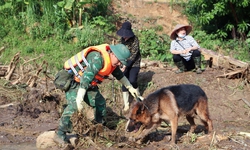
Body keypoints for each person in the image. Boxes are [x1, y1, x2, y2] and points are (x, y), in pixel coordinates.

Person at [53, 44, 140, 146]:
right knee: (73, 106)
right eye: (119, 61)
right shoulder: (98, 59)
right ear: (114, 55)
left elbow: (119, 75)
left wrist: (130, 87)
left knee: (100, 103)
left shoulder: (113, 62)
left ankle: (98, 128)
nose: (120, 64)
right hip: (73, 81)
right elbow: (85, 78)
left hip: (87, 84)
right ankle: (59, 134)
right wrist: (79, 98)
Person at [116, 21, 142, 112]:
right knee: (124, 82)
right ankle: (126, 104)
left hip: (134, 63)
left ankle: (138, 99)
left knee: (132, 80)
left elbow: (134, 55)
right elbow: (120, 53)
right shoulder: (122, 40)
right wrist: (122, 65)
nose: (125, 37)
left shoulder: (135, 40)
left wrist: (126, 66)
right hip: (124, 63)